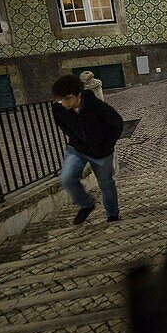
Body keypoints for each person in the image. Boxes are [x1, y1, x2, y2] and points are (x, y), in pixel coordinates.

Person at [51, 73, 124, 225]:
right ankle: (86, 204)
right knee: (67, 178)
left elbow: (117, 123)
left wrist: (106, 145)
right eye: (60, 99)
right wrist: (73, 136)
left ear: (78, 94)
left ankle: (113, 216)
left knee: (105, 183)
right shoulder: (58, 108)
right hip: (76, 149)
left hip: (101, 153)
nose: (63, 103)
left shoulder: (95, 106)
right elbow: (62, 123)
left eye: (67, 98)